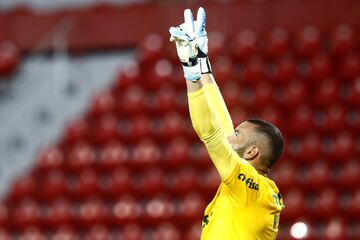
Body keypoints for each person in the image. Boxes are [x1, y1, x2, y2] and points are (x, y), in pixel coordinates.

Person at [169, 7, 285, 240]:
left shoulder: (249, 190)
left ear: (252, 152)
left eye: (237, 135)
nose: (229, 135)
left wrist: (190, 70)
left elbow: (212, 135)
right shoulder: (248, 190)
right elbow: (221, 128)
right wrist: (203, 63)